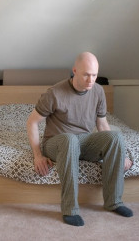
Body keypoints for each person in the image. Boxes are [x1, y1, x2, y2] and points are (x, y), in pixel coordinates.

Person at [26, 52, 133, 226]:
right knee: (70, 140)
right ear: (74, 70)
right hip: (57, 143)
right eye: (86, 74)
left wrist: (121, 153)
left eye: (94, 75)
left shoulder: (98, 91)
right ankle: (70, 209)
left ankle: (114, 202)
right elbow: (31, 122)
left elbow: (103, 125)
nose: (91, 80)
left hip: (83, 141)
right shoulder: (54, 93)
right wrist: (37, 155)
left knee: (115, 136)